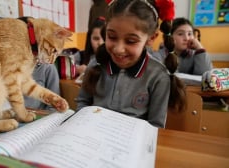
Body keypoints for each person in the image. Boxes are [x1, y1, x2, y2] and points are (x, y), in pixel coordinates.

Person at [76, 0, 186, 128]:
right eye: (112, 37)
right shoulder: (96, 63)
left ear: (151, 38)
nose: (118, 49)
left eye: (130, 41)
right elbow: (83, 102)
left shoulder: (158, 76)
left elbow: (156, 126)